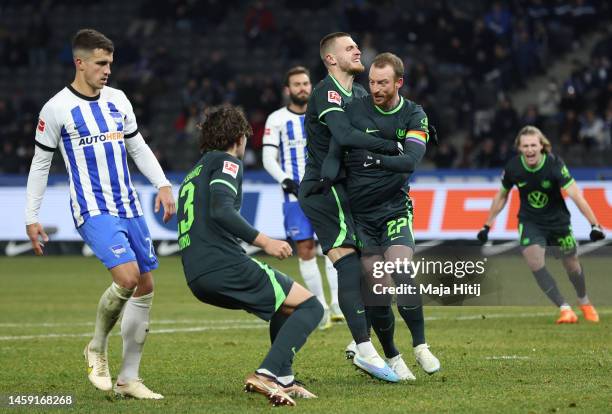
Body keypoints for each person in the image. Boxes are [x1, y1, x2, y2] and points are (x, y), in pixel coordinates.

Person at [24, 29, 175, 399]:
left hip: (129, 205)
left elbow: (137, 147)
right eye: (100, 63)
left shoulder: (119, 100)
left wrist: (163, 184)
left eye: (110, 63)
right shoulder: (56, 108)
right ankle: (96, 346)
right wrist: (31, 216)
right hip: (92, 208)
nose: (107, 70)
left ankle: (129, 379)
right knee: (127, 278)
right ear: (80, 63)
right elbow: (40, 164)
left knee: (145, 286)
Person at [177, 105, 323, 407]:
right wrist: (265, 241)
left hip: (196, 273)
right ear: (239, 137)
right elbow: (221, 210)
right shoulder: (228, 163)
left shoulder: (194, 172)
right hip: (222, 263)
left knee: (286, 306)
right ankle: (266, 374)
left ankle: (285, 380)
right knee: (311, 307)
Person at [298, 32, 402, 383]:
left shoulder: (359, 93)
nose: (358, 50)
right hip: (325, 191)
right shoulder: (326, 92)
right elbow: (343, 135)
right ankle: (366, 350)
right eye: (349, 48)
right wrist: (389, 145)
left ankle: (380, 350)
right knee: (348, 265)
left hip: (352, 190)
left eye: (357, 46)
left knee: (376, 273)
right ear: (330, 59)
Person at [341, 53, 441, 380]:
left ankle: (420, 345)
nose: (375, 88)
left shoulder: (414, 114)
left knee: (400, 267)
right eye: (371, 81)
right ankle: (394, 357)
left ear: (399, 82)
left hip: (395, 207)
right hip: (362, 214)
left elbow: (411, 160)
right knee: (377, 285)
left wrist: (376, 160)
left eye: (382, 82)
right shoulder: (355, 110)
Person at [478, 125, 605, 323]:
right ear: (519, 148)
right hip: (530, 221)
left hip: (558, 222)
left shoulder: (554, 164)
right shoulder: (513, 167)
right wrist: (486, 225)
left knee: (572, 266)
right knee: (534, 260)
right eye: (525, 146)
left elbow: (575, 195)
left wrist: (594, 225)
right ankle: (565, 309)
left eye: (533, 145)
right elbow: (501, 196)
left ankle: (584, 301)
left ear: (541, 146)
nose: (529, 149)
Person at [262, 66, 343, 329]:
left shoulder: (323, 115)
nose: (302, 88)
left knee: (333, 247)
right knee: (306, 249)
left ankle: (338, 305)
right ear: (288, 90)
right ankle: (319, 307)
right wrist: (286, 180)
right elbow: (267, 158)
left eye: (306, 83)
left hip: (325, 192)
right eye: (297, 84)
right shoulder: (276, 119)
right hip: (295, 197)